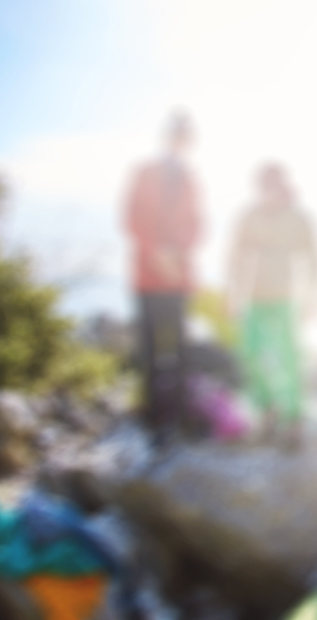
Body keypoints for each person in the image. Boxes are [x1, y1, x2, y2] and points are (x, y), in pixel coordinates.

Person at [226, 162, 317, 451]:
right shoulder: (249, 216)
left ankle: (294, 420)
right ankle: (266, 412)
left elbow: (314, 259)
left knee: (289, 359)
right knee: (253, 355)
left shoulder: (298, 217)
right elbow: (235, 255)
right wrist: (232, 294)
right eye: (261, 187)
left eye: (270, 186)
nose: (266, 193)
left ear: (280, 185)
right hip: (254, 296)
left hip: (286, 297)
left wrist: (313, 297)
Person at [124, 111, 202, 445]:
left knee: (181, 347)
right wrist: (157, 252)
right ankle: (155, 419)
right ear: (167, 137)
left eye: (185, 136)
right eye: (176, 135)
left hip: (179, 277)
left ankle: (182, 416)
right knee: (151, 347)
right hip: (147, 275)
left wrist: (177, 251)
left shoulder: (191, 179)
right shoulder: (144, 172)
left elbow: (198, 225)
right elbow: (131, 217)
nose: (180, 141)